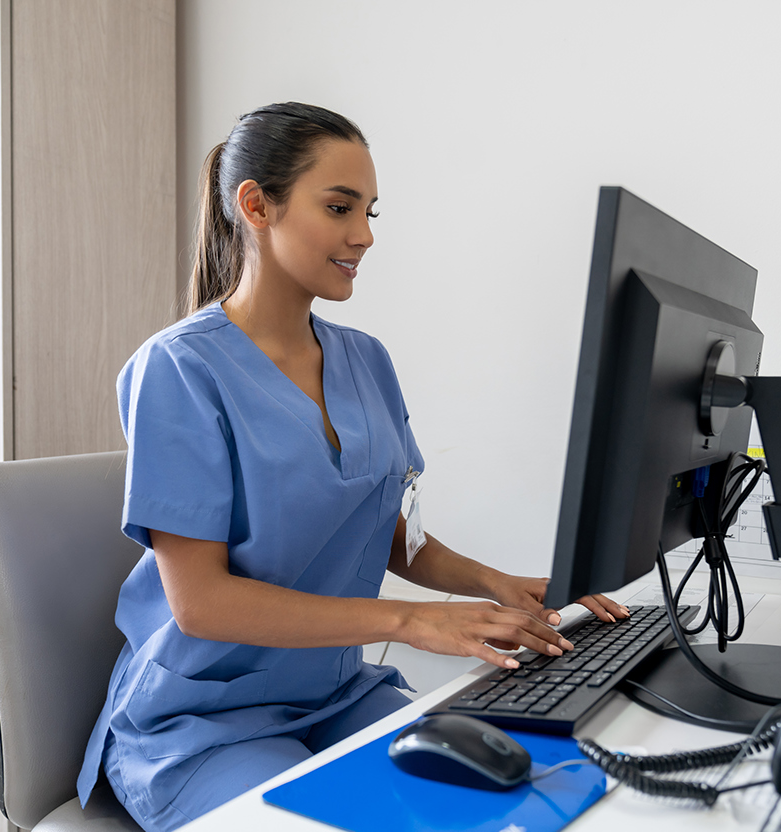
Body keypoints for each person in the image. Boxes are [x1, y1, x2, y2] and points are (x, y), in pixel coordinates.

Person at [76, 102, 627, 831]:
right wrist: (412, 621)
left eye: (369, 211)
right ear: (256, 205)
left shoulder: (366, 360)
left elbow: (380, 528)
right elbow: (200, 603)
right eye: (339, 207)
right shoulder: (178, 369)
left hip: (333, 693)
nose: (363, 235)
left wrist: (500, 586)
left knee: (515, 805)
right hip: (204, 721)